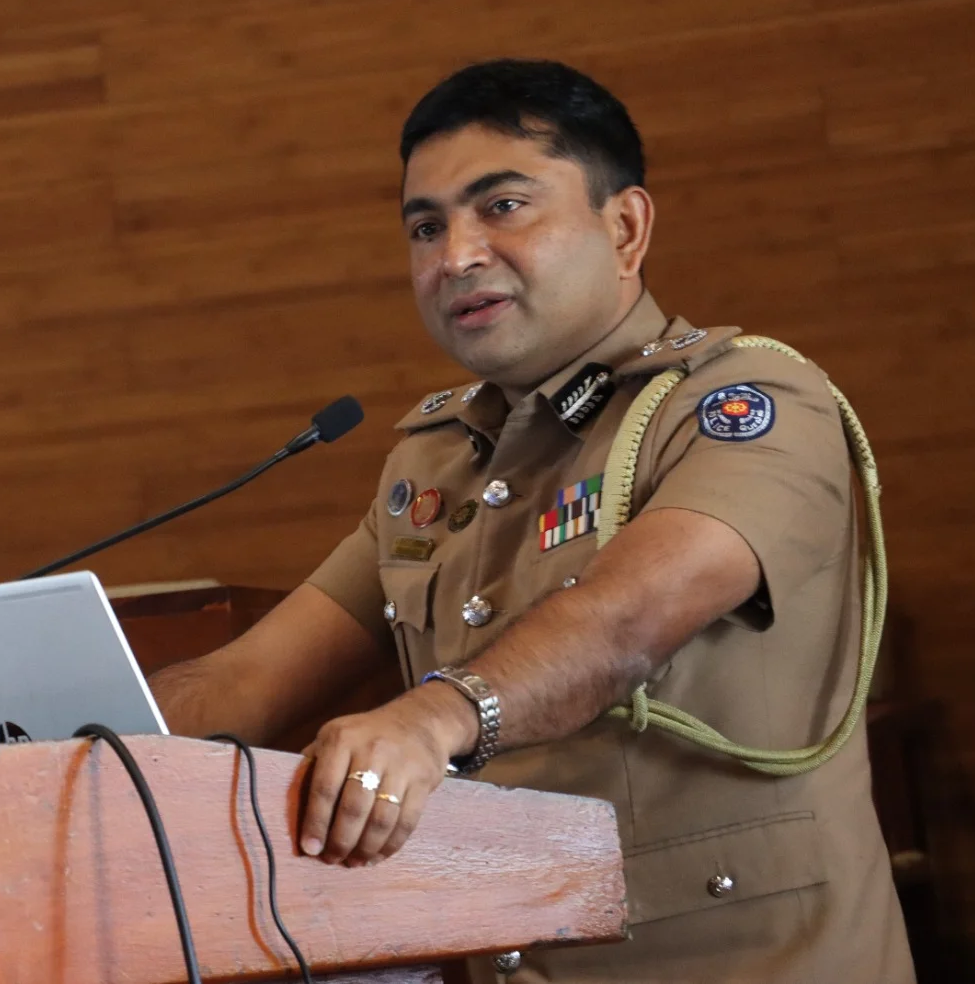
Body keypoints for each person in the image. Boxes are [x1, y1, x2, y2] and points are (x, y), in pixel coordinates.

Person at [148, 59, 915, 983]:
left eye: (502, 207)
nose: (455, 256)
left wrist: (431, 720)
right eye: (425, 227)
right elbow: (249, 680)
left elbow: (624, 621)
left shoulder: (748, 402)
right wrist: (64, 743)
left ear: (625, 227)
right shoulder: (433, 463)